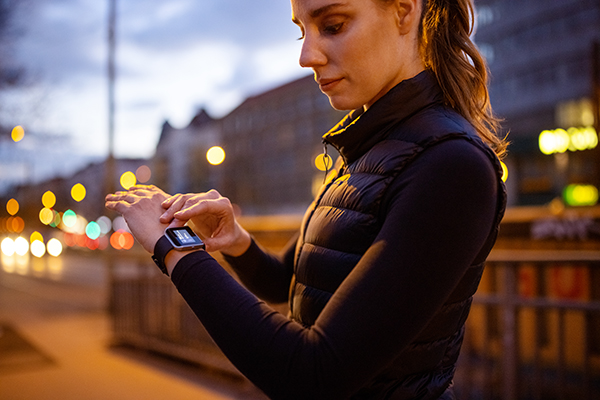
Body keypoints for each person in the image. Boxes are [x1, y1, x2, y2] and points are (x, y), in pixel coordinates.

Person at [105, 0, 508, 398]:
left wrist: (175, 250)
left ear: (404, 11)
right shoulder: (370, 150)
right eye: (302, 31)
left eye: (332, 25)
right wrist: (236, 241)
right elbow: (289, 281)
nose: (305, 55)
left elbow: (314, 374)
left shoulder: (451, 164)